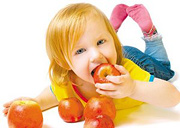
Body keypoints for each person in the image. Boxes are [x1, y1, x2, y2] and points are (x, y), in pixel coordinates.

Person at [3, 3, 180, 116]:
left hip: (128, 56)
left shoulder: (127, 72)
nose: (96, 55)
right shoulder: (69, 82)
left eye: (100, 41)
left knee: (165, 71)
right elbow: (54, 93)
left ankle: (151, 36)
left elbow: (173, 96)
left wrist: (133, 88)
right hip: (113, 52)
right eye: (80, 50)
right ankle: (107, 34)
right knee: (103, 49)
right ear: (64, 63)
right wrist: (37, 102)